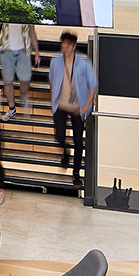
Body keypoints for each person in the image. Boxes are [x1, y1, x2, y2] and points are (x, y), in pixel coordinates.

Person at [51, 31, 98, 189]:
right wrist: (54, 99)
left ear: (74, 45)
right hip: (61, 106)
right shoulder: (55, 62)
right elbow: (52, 80)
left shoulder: (84, 63)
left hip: (78, 108)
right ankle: (65, 152)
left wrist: (86, 105)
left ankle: (76, 173)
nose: (65, 47)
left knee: (79, 142)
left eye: (68, 44)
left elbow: (93, 85)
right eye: (63, 43)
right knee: (59, 136)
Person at [0, 22, 39, 114]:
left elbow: (32, 31)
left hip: (23, 49)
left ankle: (23, 95)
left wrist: (37, 52)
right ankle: (11, 108)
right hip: (6, 49)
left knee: (26, 79)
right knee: (8, 81)